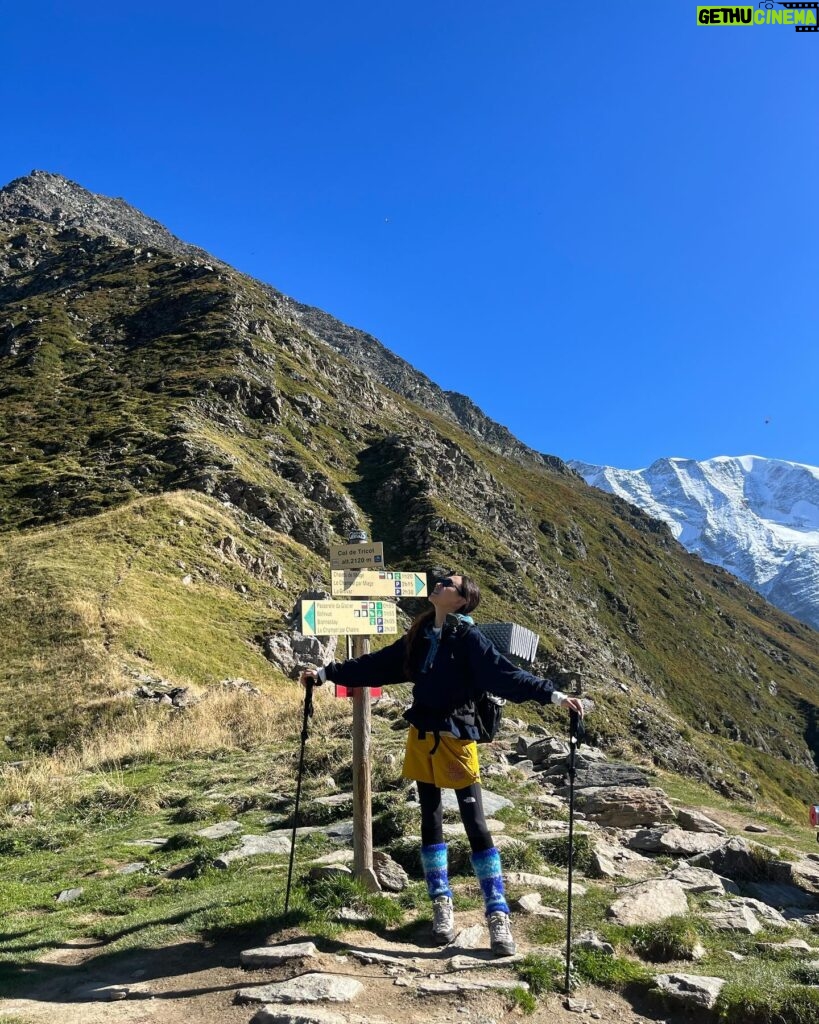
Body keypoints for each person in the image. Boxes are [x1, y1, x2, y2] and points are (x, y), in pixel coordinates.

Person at [299, 572, 584, 956]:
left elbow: (505, 676)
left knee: (477, 825)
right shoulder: (420, 636)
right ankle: (441, 907)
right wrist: (326, 673)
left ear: (462, 600)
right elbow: (380, 664)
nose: (439, 584)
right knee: (430, 820)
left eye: (449, 584)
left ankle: (497, 915)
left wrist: (553, 695)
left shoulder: (469, 639)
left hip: (456, 738)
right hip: (422, 736)